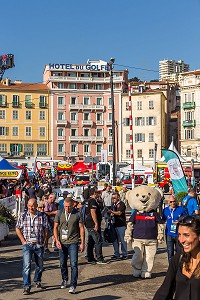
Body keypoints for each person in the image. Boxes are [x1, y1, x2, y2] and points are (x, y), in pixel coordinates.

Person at [153, 215, 200, 300]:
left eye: (186, 235)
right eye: (179, 234)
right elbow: (165, 290)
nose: (181, 240)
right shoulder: (179, 257)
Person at [15, 198, 48, 295]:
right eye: (29, 206)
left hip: (39, 244)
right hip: (27, 245)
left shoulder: (42, 216)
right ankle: (26, 286)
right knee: (27, 266)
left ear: (36, 205)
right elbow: (17, 228)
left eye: (32, 206)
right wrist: (23, 240)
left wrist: (45, 242)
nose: (31, 208)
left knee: (40, 266)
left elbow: (46, 229)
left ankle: (37, 279)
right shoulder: (23, 216)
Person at [54, 197, 85, 294]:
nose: (67, 208)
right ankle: (64, 279)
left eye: (69, 207)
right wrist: (56, 239)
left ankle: (73, 285)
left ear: (73, 205)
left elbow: (81, 228)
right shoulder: (59, 213)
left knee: (74, 264)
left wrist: (82, 242)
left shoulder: (77, 214)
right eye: (65, 206)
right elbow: (55, 227)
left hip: (73, 242)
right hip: (62, 242)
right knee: (62, 263)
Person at [85, 187, 107, 264]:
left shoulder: (89, 201)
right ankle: (99, 258)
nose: (99, 194)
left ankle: (90, 258)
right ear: (94, 193)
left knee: (91, 241)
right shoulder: (93, 201)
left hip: (88, 224)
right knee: (98, 241)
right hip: (92, 224)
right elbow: (93, 212)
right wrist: (96, 223)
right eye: (97, 192)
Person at [162, 195, 186, 261]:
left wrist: (180, 221)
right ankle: (171, 269)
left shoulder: (181, 209)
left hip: (178, 234)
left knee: (179, 252)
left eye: (174, 201)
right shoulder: (165, 210)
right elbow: (163, 220)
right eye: (171, 202)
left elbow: (186, 219)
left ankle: (179, 268)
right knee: (170, 252)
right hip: (169, 233)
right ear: (168, 202)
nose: (173, 203)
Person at [108, 192, 128, 259]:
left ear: (118, 197)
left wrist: (112, 212)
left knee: (122, 240)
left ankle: (125, 254)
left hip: (121, 225)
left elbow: (119, 213)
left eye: (114, 198)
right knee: (115, 240)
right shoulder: (113, 204)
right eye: (112, 198)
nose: (113, 199)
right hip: (114, 224)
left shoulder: (121, 204)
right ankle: (116, 254)